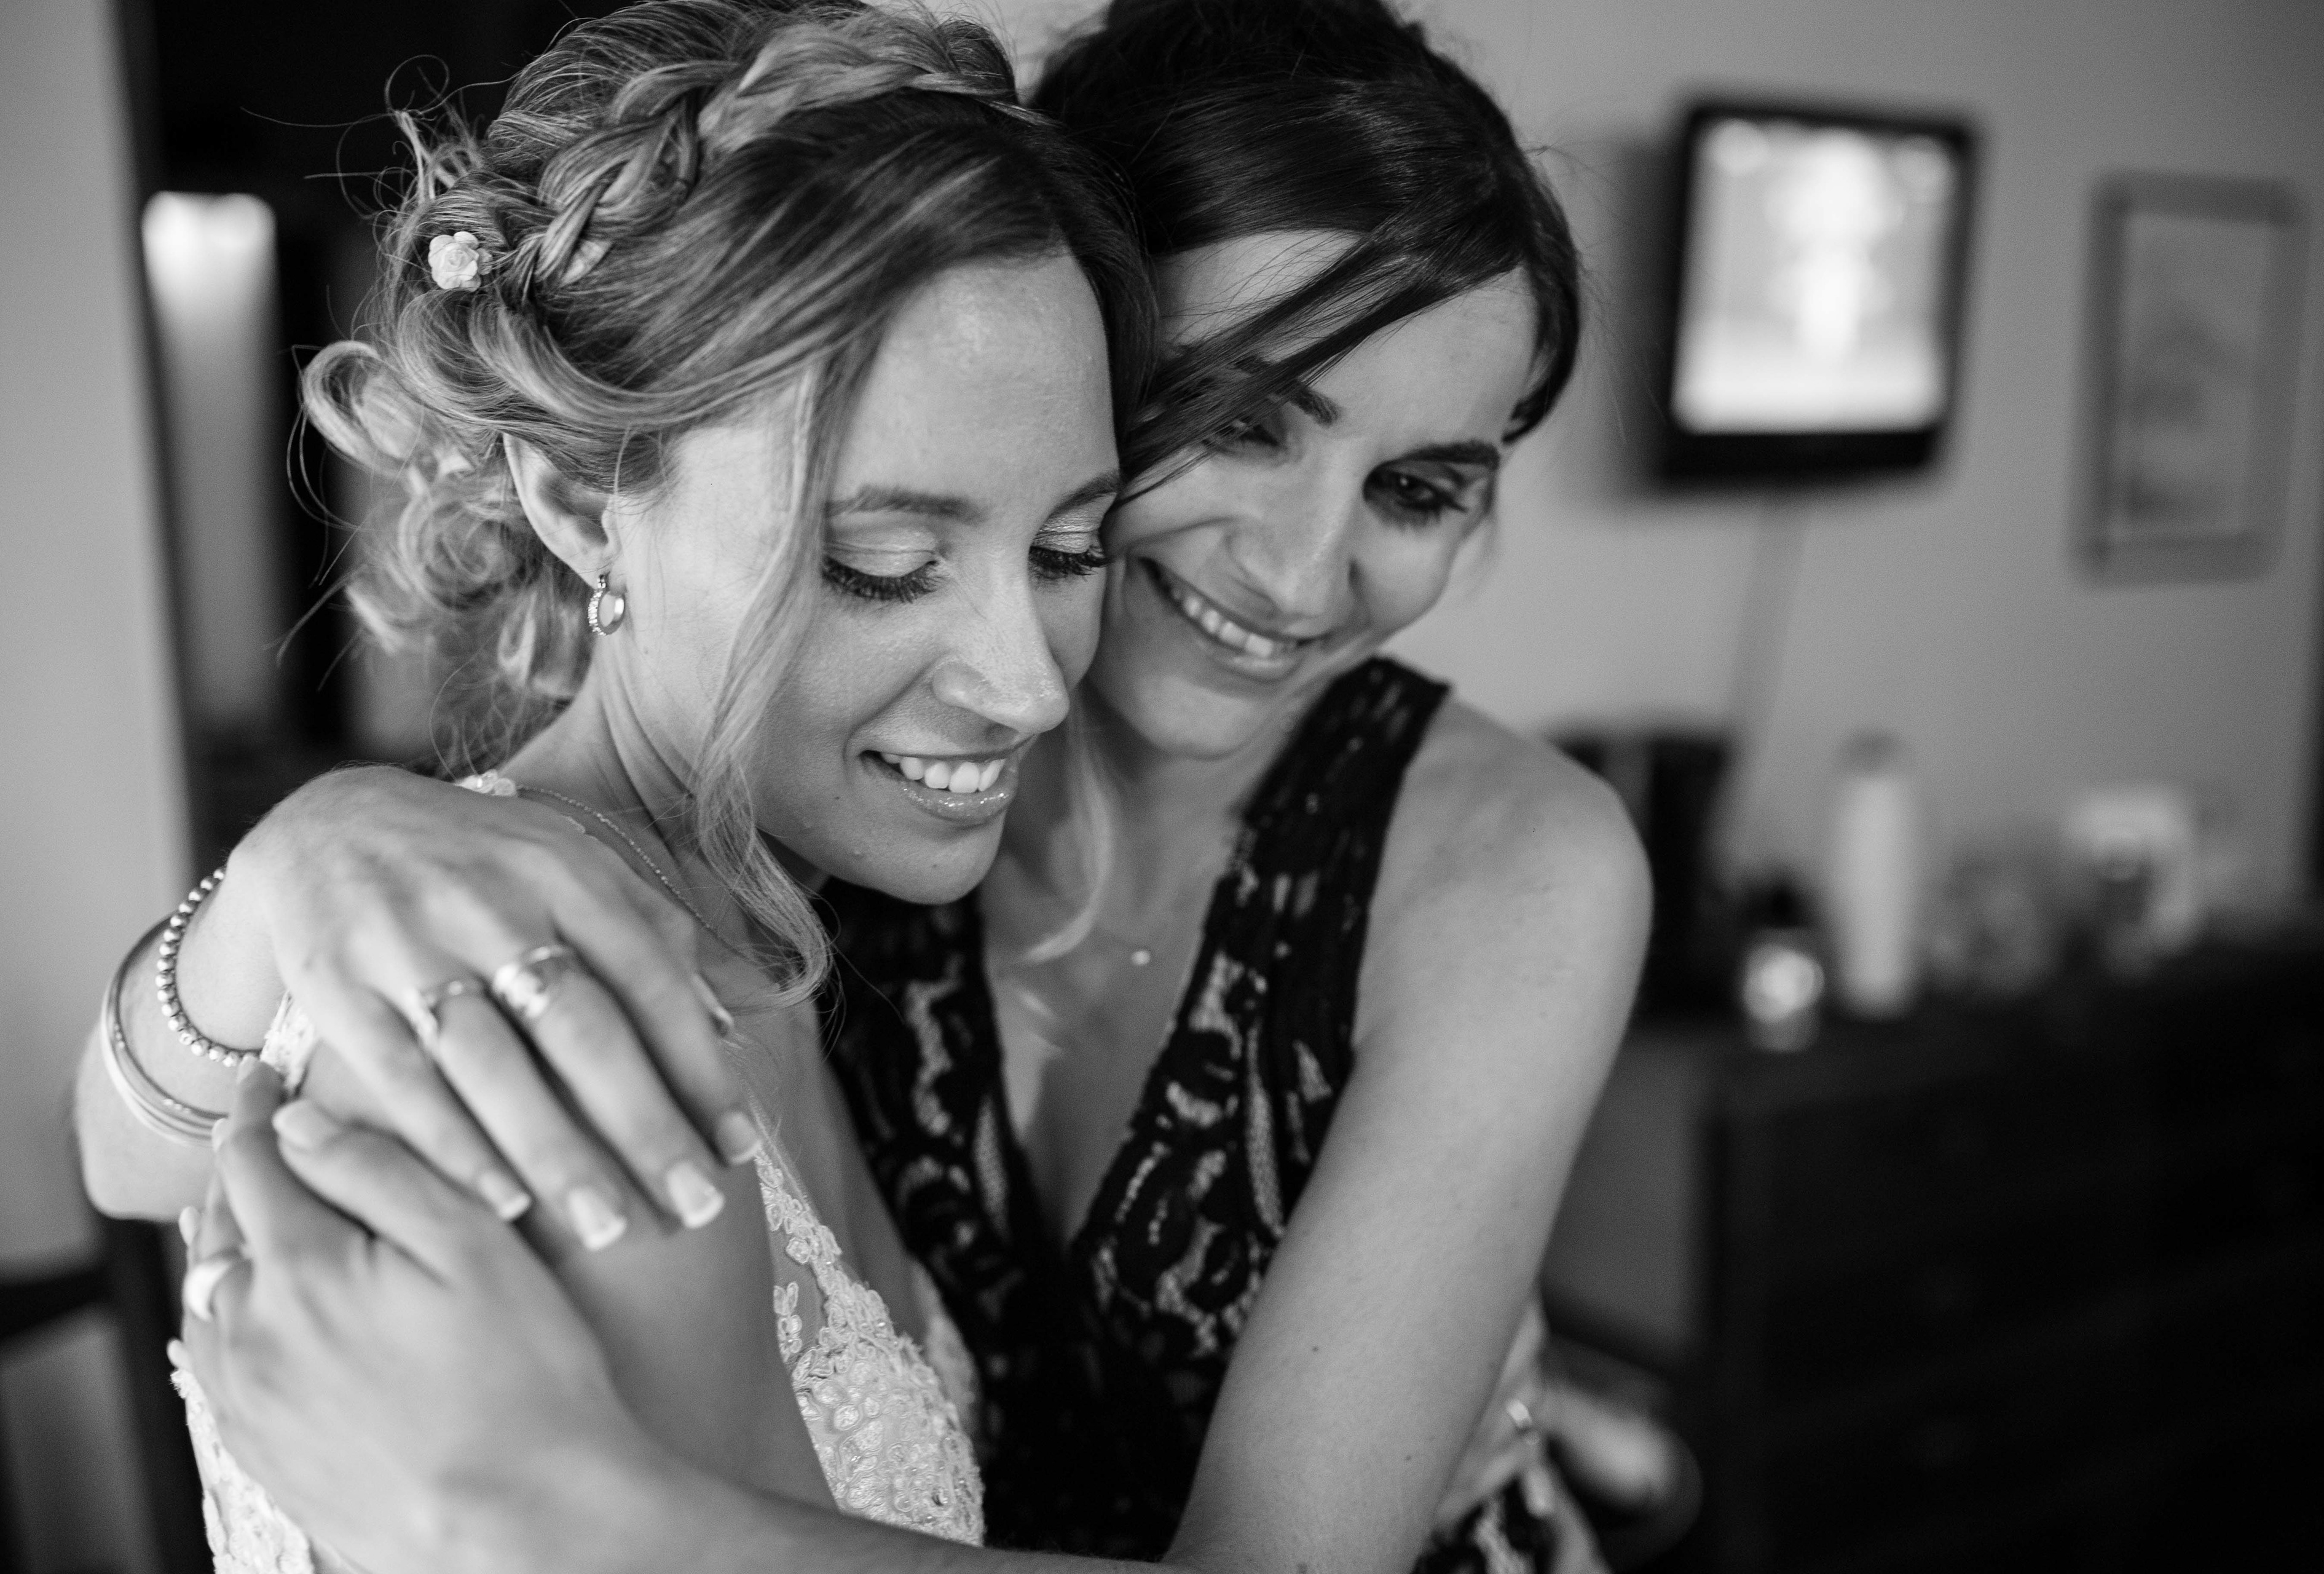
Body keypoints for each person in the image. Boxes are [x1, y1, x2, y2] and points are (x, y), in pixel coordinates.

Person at [103, 0, 1654, 1570]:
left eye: (1419, 487)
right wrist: (296, 861)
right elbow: (130, 1149)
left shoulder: (856, 809)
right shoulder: (775, 824)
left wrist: (583, 1520)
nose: (1303, 573)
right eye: (1238, 420)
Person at [79, 0, 1159, 1559]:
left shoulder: (766, 919)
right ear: (586, 502)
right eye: (883, 562)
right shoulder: (549, 1038)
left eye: (1068, 548)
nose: (1034, 683)